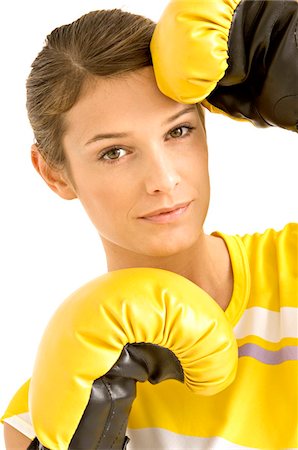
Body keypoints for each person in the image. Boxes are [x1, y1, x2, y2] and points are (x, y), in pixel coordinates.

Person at [1, 2, 297, 449]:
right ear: (53, 173)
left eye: (178, 131)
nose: (164, 180)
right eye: (114, 152)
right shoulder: (43, 417)